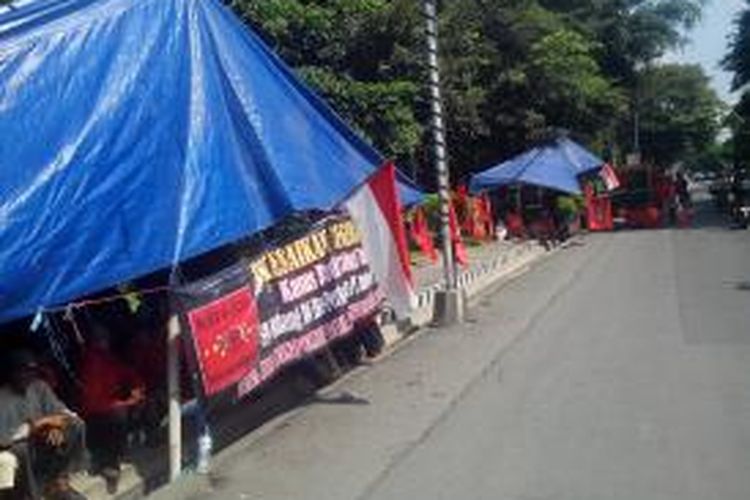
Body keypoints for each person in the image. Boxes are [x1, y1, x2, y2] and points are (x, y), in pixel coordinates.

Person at [0, 350, 86, 500]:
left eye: (30, 371)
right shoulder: (3, 397)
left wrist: (56, 426)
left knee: (76, 425)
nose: (27, 375)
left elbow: (66, 413)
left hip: (43, 442)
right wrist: (40, 424)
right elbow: (4, 438)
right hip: (21, 448)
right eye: (22, 370)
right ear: (12, 372)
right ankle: (35, 494)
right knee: (20, 450)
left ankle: (60, 480)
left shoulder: (39, 387)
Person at [78, 326, 145, 493]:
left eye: (104, 338)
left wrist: (136, 388)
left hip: (109, 406)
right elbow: (93, 404)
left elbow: (127, 372)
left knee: (141, 402)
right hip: (93, 415)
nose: (103, 342)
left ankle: (128, 447)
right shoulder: (90, 362)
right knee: (117, 416)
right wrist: (126, 403)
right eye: (99, 339)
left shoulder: (107, 357)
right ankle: (110, 467)